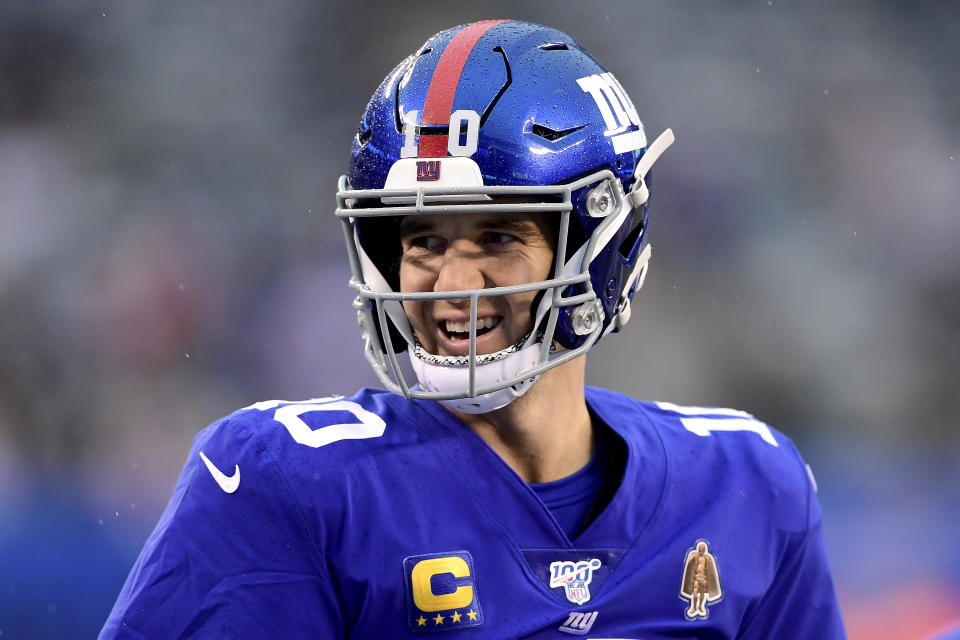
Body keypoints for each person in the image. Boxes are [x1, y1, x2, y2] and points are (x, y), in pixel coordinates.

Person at [101, 19, 846, 639]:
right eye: (423, 242)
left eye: (497, 238)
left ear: (603, 247)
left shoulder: (748, 485)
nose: (452, 287)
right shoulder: (284, 481)